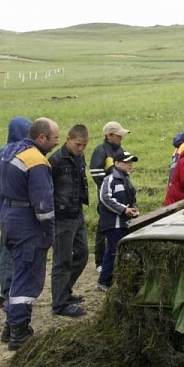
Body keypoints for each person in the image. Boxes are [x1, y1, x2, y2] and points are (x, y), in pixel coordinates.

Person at [0, 117, 59, 350]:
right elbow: (43, 205)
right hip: (27, 223)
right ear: (41, 137)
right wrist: (49, 232)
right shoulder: (36, 161)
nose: (57, 142)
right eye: (54, 138)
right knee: (28, 277)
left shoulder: (11, 151)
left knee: (17, 274)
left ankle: (10, 325)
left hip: (9, 215)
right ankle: (19, 332)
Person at [49, 124, 90, 317]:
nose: (81, 148)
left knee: (82, 254)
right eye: (78, 144)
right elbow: (48, 189)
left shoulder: (80, 157)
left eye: (84, 145)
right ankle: (59, 304)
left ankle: (65, 291)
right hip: (62, 216)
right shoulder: (56, 160)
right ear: (68, 139)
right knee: (62, 261)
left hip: (77, 213)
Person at [0, 116, 32, 309]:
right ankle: (6, 292)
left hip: (6, 209)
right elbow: (0, 183)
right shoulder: (7, 152)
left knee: (13, 251)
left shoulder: (12, 150)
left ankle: (13, 290)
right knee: (8, 252)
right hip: (8, 210)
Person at [89, 122, 130, 274]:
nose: (121, 138)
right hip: (106, 196)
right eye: (119, 135)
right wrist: (110, 184)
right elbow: (96, 173)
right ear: (109, 135)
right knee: (103, 228)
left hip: (120, 195)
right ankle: (100, 262)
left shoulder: (119, 150)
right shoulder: (100, 150)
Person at [97, 149, 139, 292]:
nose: (130, 165)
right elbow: (105, 198)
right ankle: (105, 281)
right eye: (127, 162)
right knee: (114, 252)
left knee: (115, 251)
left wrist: (134, 209)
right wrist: (123, 209)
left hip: (123, 222)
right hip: (113, 223)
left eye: (131, 162)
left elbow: (131, 199)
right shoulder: (110, 179)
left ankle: (109, 280)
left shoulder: (126, 178)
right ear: (116, 163)